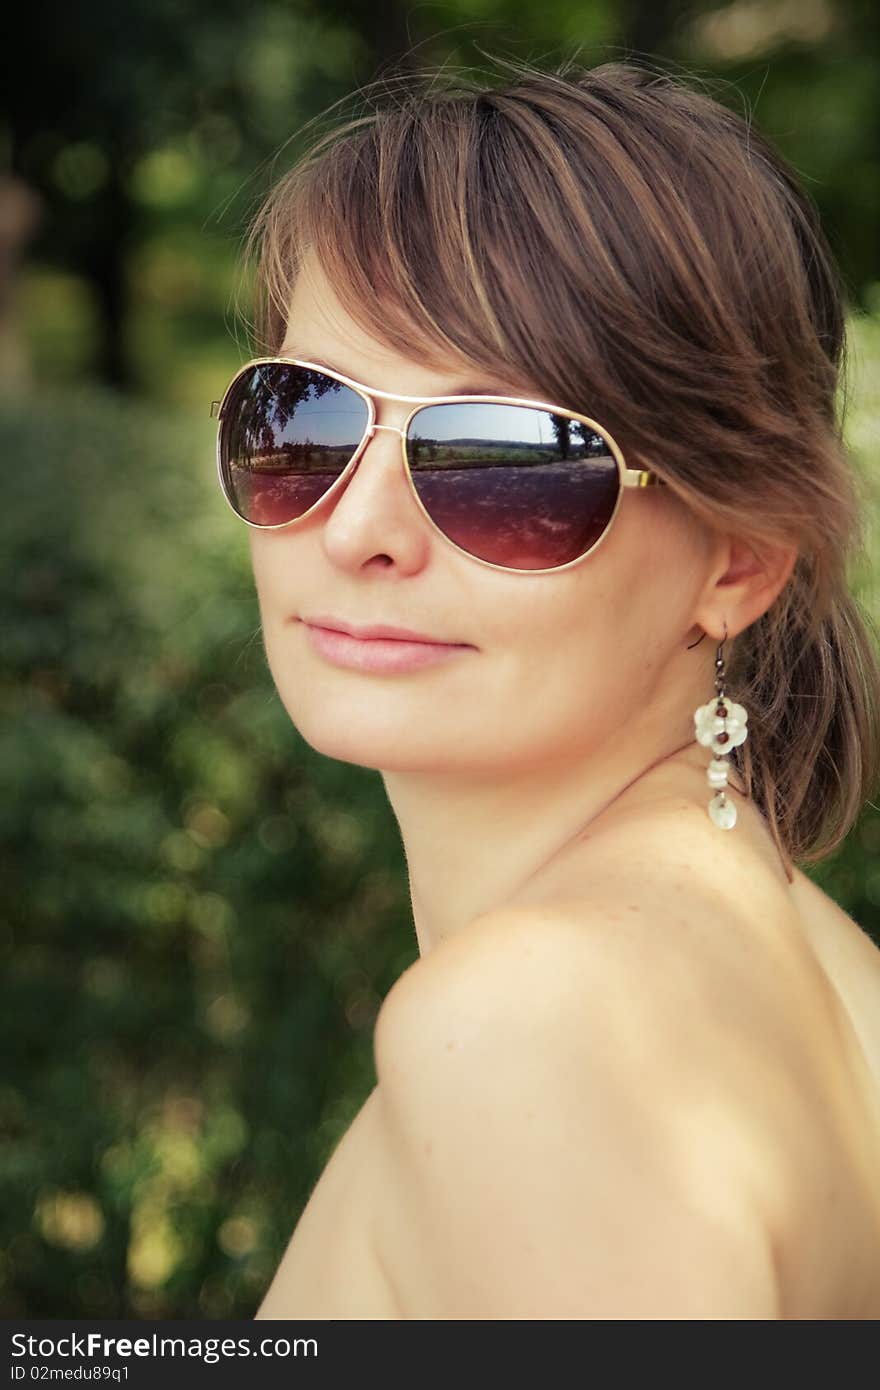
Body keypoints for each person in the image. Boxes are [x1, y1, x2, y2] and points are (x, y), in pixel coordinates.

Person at [213, 54, 880, 1318]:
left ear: (736, 561)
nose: (358, 531)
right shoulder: (810, 949)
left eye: (505, 462)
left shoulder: (532, 1024)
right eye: (303, 420)